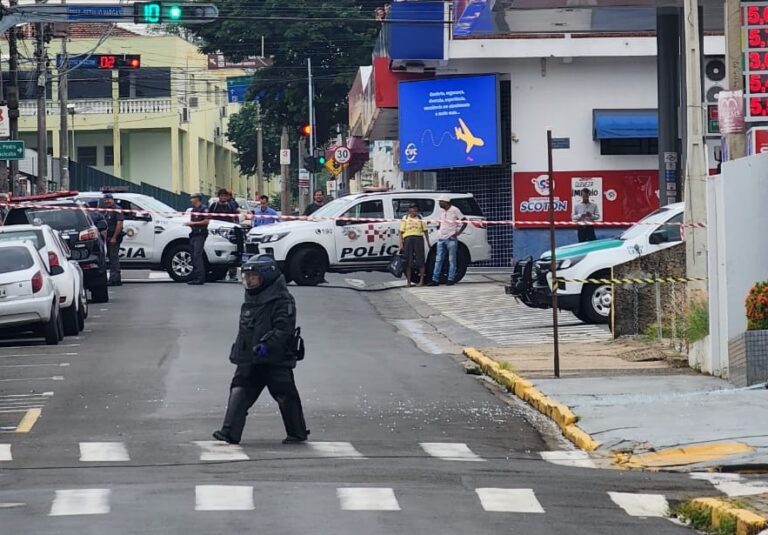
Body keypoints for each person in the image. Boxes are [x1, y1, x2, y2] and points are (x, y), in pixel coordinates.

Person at [212, 254, 309, 445]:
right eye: (247, 277)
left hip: (275, 359)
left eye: (253, 277)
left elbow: (284, 328)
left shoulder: (282, 300)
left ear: (267, 276)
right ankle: (229, 431)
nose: (249, 281)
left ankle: (297, 432)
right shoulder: (252, 298)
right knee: (239, 388)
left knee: (285, 395)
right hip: (250, 357)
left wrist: (267, 345)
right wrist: (239, 349)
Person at [428, 196, 466, 287]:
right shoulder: (441, 211)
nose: (439, 203)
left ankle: (450, 279)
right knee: (438, 259)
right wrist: (439, 228)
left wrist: (458, 232)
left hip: (451, 239)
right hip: (441, 238)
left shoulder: (455, 210)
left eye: (441, 202)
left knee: (451, 260)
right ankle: (435, 279)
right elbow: (440, 221)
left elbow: (464, 221)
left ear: (446, 202)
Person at [209, 188, 242, 280]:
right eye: (221, 195)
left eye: (225, 195)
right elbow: (209, 217)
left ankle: (232, 274)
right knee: (218, 253)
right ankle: (221, 274)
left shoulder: (231, 206)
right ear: (218, 196)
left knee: (231, 253)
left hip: (229, 233)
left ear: (227, 197)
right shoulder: (214, 206)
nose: (223, 197)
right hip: (216, 233)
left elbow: (236, 217)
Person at [400, 203, 430, 287]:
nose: (413, 211)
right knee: (408, 261)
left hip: (418, 238)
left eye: (415, 209)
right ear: (409, 210)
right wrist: (401, 243)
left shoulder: (420, 218)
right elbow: (401, 232)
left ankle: (421, 281)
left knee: (420, 260)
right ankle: (408, 282)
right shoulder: (405, 218)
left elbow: (425, 230)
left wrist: (428, 242)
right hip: (408, 239)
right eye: (411, 209)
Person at [185, 193, 209, 285]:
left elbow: (206, 221)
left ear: (197, 199)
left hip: (200, 234)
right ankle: (195, 277)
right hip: (194, 234)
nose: (191, 200)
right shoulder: (193, 210)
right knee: (193, 256)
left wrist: (194, 224)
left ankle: (200, 278)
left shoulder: (204, 208)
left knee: (197, 256)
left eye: (192, 198)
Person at [102, 194, 124, 287]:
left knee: (113, 258)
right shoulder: (104, 210)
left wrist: (114, 237)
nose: (107, 201)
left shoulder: (117, 209)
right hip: (106, 238)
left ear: (113, 200)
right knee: (110, 259)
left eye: (109, 199)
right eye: (105, 200)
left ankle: (115, 279)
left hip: (113, 238)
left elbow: (119, 224)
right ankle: (113, 279)